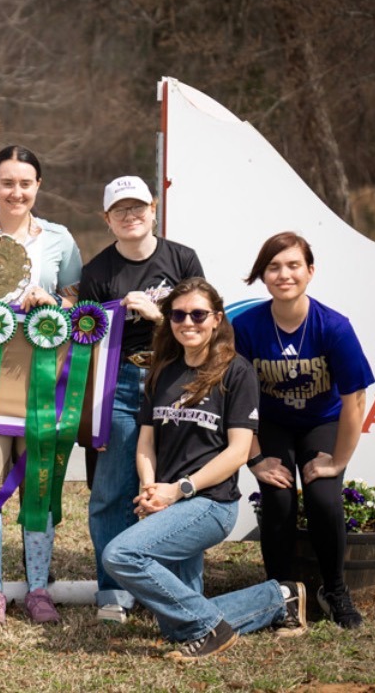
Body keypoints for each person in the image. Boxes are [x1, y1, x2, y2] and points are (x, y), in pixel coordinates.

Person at [102, 277, 307, 661]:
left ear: (216, 319)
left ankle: (210, 629)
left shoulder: (236, 372)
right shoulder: (163, 370)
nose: (188, 322)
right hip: (167, 501)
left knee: (121, 555)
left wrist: (178, 490)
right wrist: (150, 488)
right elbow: (146, 440)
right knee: (176, 624)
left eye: (198, 314)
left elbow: (238, 451)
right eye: (178, 315)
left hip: (209, 503)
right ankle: (280, 597)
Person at [0, 145, 82, 625]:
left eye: (25, 183)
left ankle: (39, 588)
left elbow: (78, 312)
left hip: (40, 385)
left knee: (39, 487)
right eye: (7, 182)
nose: (16, 191)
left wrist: (57, 305)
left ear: (38, 186)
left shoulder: (62, 241)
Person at [78, 176, 205, 624]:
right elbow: (86, 342)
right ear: (107, 219)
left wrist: (159, 315)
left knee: (173, 486)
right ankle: (113, 591)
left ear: (154, 208)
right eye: (120, 210)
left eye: (138, 207)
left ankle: (177, 589)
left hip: (174, 379)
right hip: (122, 381)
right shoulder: (98, 272)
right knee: (113, 489)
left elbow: (203, 325)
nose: (130, 216)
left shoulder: (181, 258)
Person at [233, 232, 375, 629]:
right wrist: (256, 457)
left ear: (310, 271)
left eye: (293, 265)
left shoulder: (334, 327)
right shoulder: (246, 327)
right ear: (263, 275)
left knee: (324, 499)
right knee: (277, 499)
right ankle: (278, 594)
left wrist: (338, 461)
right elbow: (237, 400)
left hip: (321, 422)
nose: (284, 274)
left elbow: (355, 401)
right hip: (271, 422)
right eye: (274, 266)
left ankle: (333, 589)